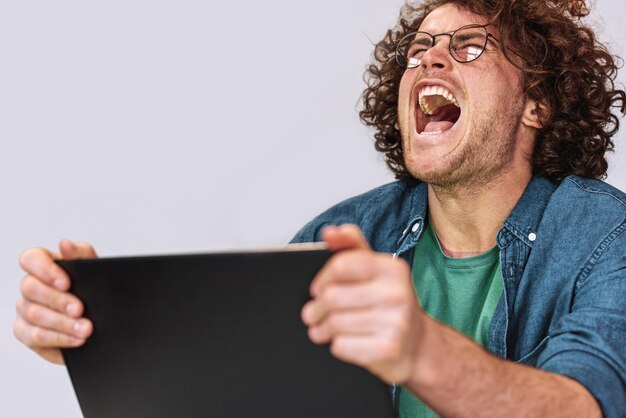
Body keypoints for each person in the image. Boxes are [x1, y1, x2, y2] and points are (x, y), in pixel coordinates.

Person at [13, 0, 626, 416]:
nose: (429, 60)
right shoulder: (351, 231)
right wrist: (102, 335)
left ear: (536, 105)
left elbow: (584, 404)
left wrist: (423, 351)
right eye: (420, 49)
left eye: (468, 47)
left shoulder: (604, 235)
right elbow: (243, 385)